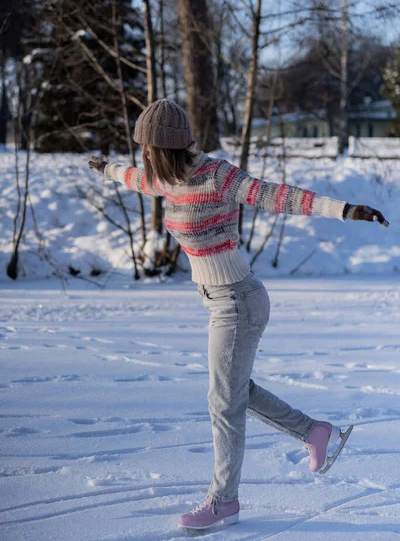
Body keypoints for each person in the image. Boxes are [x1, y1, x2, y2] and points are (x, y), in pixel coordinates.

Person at [88, 98, 389, 531]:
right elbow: (134, 178)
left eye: (146, 146)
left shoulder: (216, 176)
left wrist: (343, 210)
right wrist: (106, 170)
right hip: (218, 300)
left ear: (162, 146)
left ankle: (223, 499)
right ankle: (313, 432)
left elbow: (277, 196)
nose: (142, 154)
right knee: (233, 391)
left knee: (223, 403)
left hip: (239, 301)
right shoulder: (164, 178)